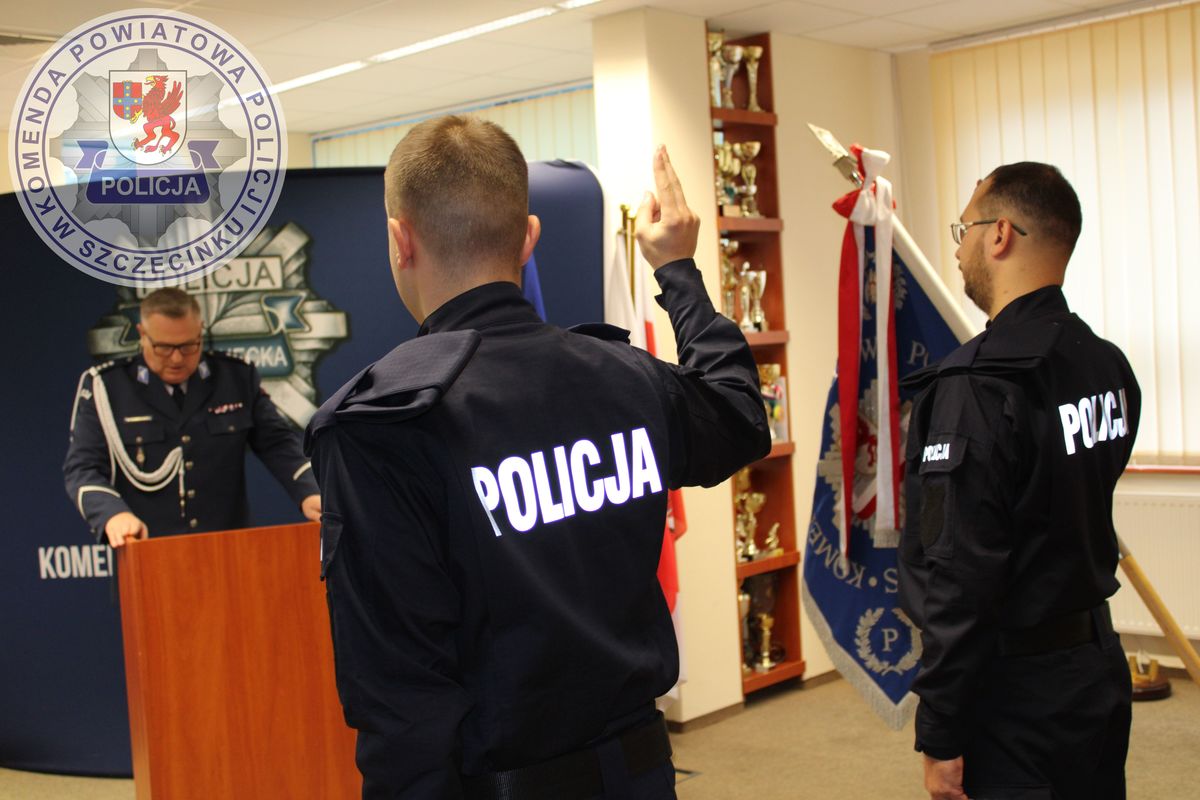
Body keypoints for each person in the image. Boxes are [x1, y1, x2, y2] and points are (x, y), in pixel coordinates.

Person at [305, 116, 769, 799]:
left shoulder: (381, 428)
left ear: (401, 241)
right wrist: (676, 271)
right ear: (528, 237)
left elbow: (401, 695)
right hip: (642, 774)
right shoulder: (625, 377)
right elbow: (739, 417)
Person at [898, 162, 1140, 800]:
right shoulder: (1105, 364)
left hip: (1014, 694)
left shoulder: (978, 385)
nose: (958, 250)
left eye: (965, 230)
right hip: (1094, 670)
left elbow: (959, 577)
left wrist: (940, 729)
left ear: (1000, 234)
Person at [64, 288, 321, 546]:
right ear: (142, 335)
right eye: (164, 347)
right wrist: (112, 514)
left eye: (189, 346)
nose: (177, 359)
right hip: (147, 550)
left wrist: (309, 491)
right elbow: (83, 468)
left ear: (200, 331)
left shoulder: (235, 378)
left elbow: (277, 443)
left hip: (228, 551)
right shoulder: (106, 388)